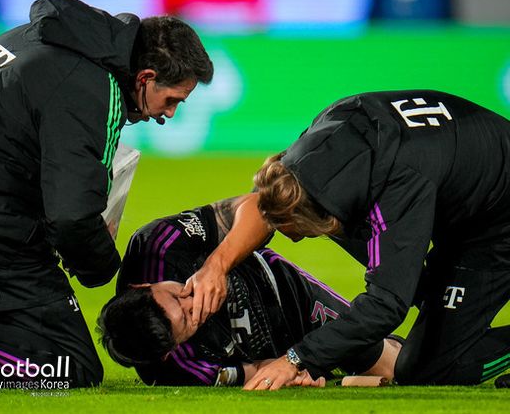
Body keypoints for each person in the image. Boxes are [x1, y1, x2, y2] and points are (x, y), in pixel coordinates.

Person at [0, 0, 213, 390]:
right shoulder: (96, 85)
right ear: (144, 78)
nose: (169, 114)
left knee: (13, 330)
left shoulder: (49, 39)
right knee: (72, 365)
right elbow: (72, 218)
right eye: (172, 100)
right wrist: (103, 264)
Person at [181, 90, 510, 388]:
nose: (294, 242)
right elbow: (265, 202)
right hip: (470, 197)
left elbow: (386, 304)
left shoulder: (395, 185)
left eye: (300, 232)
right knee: (426, 294)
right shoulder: (319, 146)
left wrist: (296, 359)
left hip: (497, 224)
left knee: (427, 370)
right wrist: (217, 266)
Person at [98, 196, 401, 387]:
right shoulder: (180, 369)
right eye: (188, 320)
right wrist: (296, 371)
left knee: (394, 366)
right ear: (169, 352)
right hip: (266, 349)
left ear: (143, 285)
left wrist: (216, 266)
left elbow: (262, 207)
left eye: (177, 295)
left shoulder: (159, 245)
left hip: (279, 290)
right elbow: (255, 371)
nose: (195, 303)